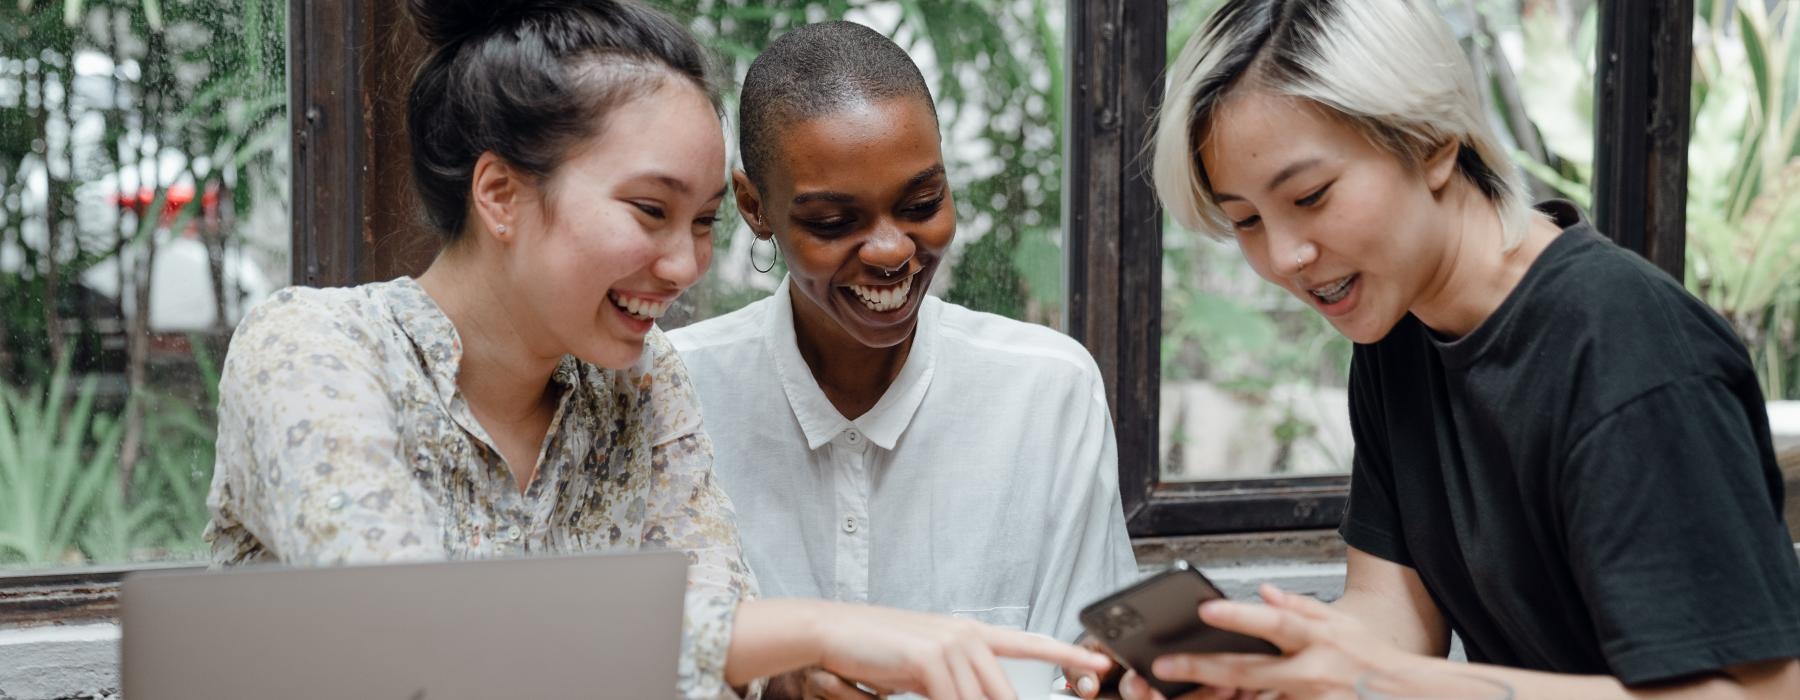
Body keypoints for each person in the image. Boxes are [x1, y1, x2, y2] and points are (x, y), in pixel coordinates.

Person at [203, 2, 1109, 698]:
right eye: (650, 211)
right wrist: (821, 632)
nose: (685, 266)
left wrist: (780, 655)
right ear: (501, 194)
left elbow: (723, 644)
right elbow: (409, 634)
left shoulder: (638, 384)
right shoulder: (315, 351)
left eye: (705, 221)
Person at [1125, 0, 1800, 698]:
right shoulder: (1398, 328)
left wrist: (1378, 678)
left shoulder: (1628, 350)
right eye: (1245, 221)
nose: (1286, 256)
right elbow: (1393, 619)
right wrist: (1252, 669)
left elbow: (1762, 694)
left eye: (1311, 195)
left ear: (1431, 140)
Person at [668, 20, 1138, 699]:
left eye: (922, 204)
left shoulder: (1045, 391)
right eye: (834, 222)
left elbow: (1086, 674)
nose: (891, 251)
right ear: (753, 205)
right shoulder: (676, 397)